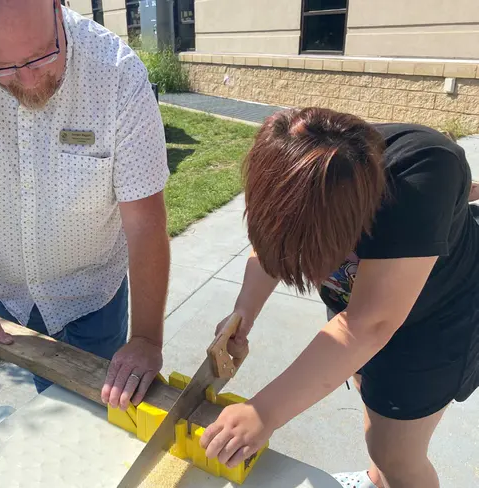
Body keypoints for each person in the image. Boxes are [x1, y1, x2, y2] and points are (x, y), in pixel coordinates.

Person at [0, 0, 170, 411]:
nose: (27, 80)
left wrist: (147, 339)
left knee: (97, 421)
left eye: (42, 55)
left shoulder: (116, 73)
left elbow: (145, 222)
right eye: (0, 68)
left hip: (93, 295)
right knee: (49, 418)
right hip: (4, 293)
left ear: (58, 7)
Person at [199, 108, 479, 488]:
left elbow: (369, 324)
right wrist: (243, 311)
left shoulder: (421, 171)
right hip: (361, 313)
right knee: (374, 402)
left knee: (394, 451)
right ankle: (378, 482)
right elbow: (271, 249)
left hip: (437, 323)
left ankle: (388, 473)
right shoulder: (305, 168)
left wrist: (264, 411)